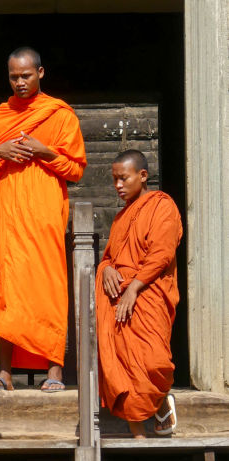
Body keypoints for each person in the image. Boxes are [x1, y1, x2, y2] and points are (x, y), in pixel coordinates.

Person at [0, 47, 86, 392]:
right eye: (14, 77)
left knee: (47, 290)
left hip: (44, 216)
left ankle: (54, 371)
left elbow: (76, 170)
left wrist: (43, 151)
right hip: (6, 214)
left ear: (41, 73)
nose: (20, 82)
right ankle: (4, 372)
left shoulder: (60, 115)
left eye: (26, 75)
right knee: (5, 293)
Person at [96, 149, 183, 438]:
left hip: (148, 294)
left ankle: (160, 402)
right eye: (114, 180)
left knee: (154, 361)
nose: (118, 186)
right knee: (123, 365)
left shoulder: (162, 206)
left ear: (143, 176)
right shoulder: (121, 218)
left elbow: (162, 253)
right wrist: (106, 268)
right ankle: (139, 437)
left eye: (123, 178)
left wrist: (134, 288)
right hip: (120, 299)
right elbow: (112, 256)